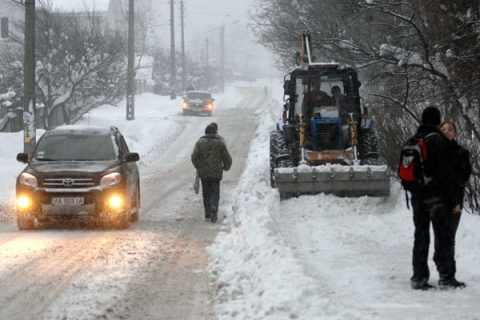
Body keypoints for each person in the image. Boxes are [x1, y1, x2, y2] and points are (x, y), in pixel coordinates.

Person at [408, 106, 461, 290]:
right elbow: (449, 174)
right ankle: (446, 278)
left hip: (417, 197)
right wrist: (453, 199)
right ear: (438, 122)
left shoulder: (413, 140)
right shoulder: (439, 141)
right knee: (443, 237)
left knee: (421, 236)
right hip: (437, 198)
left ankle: (419, 278)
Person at [191, 124, 232, 223]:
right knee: (215, 192)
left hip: (204, 173)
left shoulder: (200, 143)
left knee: (206, 193)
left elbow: (194, 156)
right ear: (215, 133)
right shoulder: (219, 143)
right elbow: (227, 158)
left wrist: (198, 166)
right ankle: (214, 206)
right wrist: (226, 166)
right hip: (216, 173)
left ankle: (207, 214)